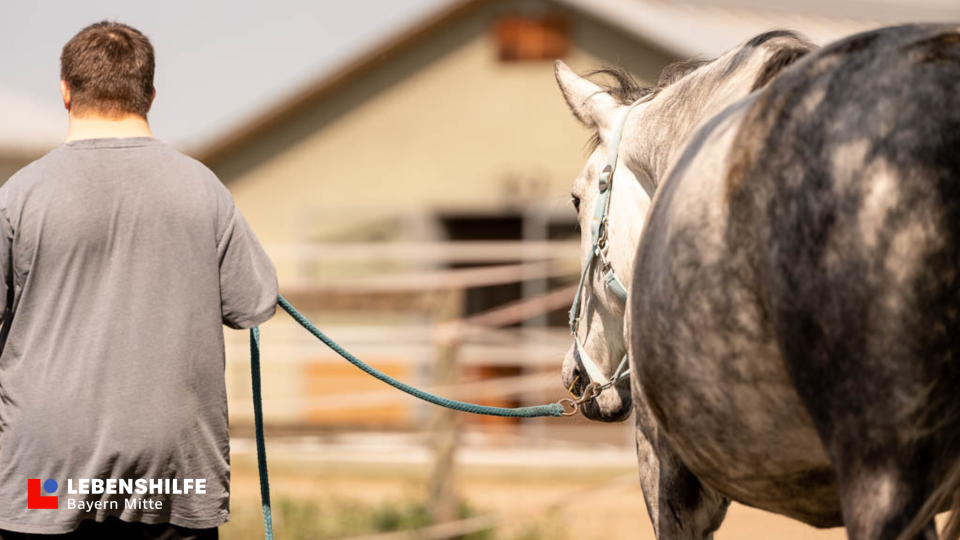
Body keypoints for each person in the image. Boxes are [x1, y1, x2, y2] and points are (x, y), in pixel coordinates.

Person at [0, 21, 278, 539]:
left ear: (65, 92)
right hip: (173, 475)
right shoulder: (203, 188)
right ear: (149, 94)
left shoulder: (20, 194)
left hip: (48, 474)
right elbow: (255, 301)